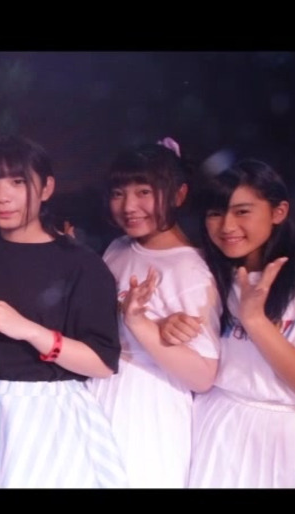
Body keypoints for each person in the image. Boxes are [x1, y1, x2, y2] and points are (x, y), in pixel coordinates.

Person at [160, 158, 295, 488]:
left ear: (278, 212)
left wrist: (256, 321)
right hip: (221, 431)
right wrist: (171, 326)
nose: (227, 226)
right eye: (215, 213)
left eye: (242, 211)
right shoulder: (210, 277)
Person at [0, 134, 126, 488]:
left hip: (47, 416)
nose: (2, 197)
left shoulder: (81, 265)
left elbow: (102, 363)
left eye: (17, 182)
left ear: (46, 188)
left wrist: (29, 330)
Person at [86, 139, 220, 488]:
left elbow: (203, 376)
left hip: (147, 409)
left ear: (178, 194)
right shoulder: (118, 247)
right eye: (119, 193)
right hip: (99, 389)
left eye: (144, 192)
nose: (129, 206)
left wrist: (141, 324)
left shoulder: (191, 270)